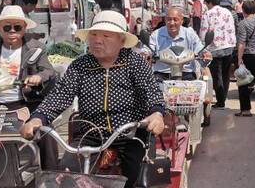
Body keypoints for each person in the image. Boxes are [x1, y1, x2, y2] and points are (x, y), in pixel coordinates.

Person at [20, 10, 165, 187]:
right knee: (66, 176)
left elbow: (151, 91)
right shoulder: (80, 65)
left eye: (106, 36)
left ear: (121, 41)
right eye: (94, 34)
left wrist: (156, 113)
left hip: (130, 135)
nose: (97, 40)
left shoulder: (134, 63)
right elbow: (60, 95)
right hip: (90, 134)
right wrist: (38, 118)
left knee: (134, 178)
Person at [0, 5, 58, 173]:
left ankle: (53, 175)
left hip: (24, 103)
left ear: (24, 28)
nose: (12, 31)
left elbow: (49, 71)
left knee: (47, 131)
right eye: (7, 27)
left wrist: (38, 77)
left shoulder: (36, 48)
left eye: (17, 27)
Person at [149, 7, 210, 81]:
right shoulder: (156, 34)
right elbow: (148, 49)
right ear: (165, 20)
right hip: (162, 74)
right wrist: (146, 54)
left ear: (181, 21)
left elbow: (199, 48)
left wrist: (205, 54)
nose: (172, 23)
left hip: (186, 73)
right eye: (169, 19)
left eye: (175, 19)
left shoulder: (190, 34)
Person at [200, 0, 236, 109]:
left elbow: (203, 33)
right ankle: (222, 98)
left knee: (216, 75)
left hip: (215, 48)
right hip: (229, 46)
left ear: (209, 2)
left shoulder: (207, 14)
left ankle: (221, 101)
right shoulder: (228, 12)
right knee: (225, 74)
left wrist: (202, 48)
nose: (205, 4)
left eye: (206, 2)